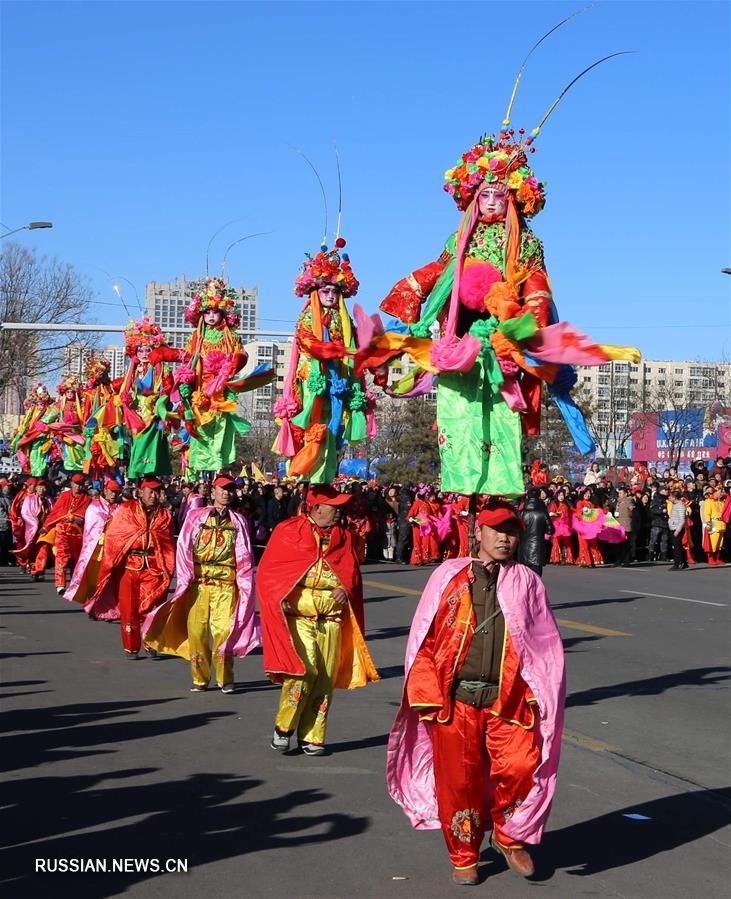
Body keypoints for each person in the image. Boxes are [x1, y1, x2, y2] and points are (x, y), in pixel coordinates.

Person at [387, 500, 565, 885]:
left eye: (512, 531)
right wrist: (427, 693)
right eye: (497, 530)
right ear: (477, 533)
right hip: (456, 701)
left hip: (510, 699)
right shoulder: (449, 575)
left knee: (521, 767)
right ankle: (464, 853)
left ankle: (508, 835)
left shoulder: (528, 581)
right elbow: (425, 640)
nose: (505, 538)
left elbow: (544, 645)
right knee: (459, 782)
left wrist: (540, 691)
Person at [258, 485, 379, 755]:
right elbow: (269, 572)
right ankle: (284, 727)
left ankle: (312, 736)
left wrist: (345, 589)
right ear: (316, 507)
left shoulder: (344, 537)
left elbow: (352, 574)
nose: (338, 511)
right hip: (300, 615)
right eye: (334, 506)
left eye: (340, 506)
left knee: (324, 678)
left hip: (332, 619)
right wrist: (281, 596)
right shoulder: (289, 531)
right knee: (303, 671)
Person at [143, 475, 260, 692]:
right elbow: (184, 547)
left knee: (224, 631)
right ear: (212, 491)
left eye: (230, 490)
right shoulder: (196, 517)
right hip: (199, 585)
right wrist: (185, 579)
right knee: (197, 632)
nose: (226, 493)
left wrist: (245, 588)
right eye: (222, 489)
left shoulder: (239, 521)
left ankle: (226, 679)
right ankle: (200, 678)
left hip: (226, 586)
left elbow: (245, 558)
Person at [273, 241, 372, 483]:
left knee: (332, 427)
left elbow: (359, 344)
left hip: (338, 378)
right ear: (316, 292)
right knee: (313, 423)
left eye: (334, 292)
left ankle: (326, 475)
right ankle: (307, 473)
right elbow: (308, 341)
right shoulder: (308, 316)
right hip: (313, 378)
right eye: (325, 291)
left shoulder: (344, 318)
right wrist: (333, 350)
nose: (330, 296)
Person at [87, 476, 175, 658]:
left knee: (150, 606)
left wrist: (168, 567)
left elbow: (168, 545)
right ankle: (131, 646)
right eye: (150, 491)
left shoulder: (165, 515)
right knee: (128, 608)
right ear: (141, 493)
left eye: (157, 491)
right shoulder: (128, 510)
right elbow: (115, 536)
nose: (154, 495)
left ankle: (151, 642)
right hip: (129, 567)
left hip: (153, 567)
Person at [116, 317, 174, 479]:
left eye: (147, 350)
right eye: (140, 350)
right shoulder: (133, 371)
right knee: (137, 446)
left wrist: (159, 404)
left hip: (154, 414)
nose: (143, 354)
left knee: (152, 445)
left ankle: (150, 474)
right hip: (137, 417)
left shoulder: (160, 370)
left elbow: (167, 388)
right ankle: (137, 477)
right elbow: (124, 390)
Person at [65, 478, 123, 617]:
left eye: (116, 492)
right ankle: (93, 606)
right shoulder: (95, 507)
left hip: (113, 550)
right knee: (94, 581)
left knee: (110, 580)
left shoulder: (120, 508)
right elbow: (91, 529)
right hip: (96, 551)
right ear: (105, 491)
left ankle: (109, 609)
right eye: (112, 492)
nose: (114, 495)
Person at [38, 473, 92, 594]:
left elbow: (87, 516)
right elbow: (55, 513)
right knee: (61, 557)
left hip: (77, 533)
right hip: (62, 530)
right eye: (76, 483)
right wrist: (46, 526)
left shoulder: (87, 498)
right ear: (71, 483)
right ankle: (60, 584)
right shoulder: (64, 496)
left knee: (76, 560)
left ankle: (74, 583)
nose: (78, 486)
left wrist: (79, 519)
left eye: (80, 484)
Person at [13, 479, 52, 580]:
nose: (42, 489)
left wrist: (46, 526)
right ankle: (33, 570)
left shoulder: (49, 500)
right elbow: (25, 513)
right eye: (40, 487)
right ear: (36, 488)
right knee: (31, 550)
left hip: (44, 529)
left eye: (44, 487)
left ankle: (40, 570)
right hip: (32, 529)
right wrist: (34, 524)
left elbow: (53, 513)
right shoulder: (29, 498)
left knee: (43, 549)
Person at [517, 488, 554, 576]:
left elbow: (516, 529)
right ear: (538, 496)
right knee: (536, 579)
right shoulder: (543, 512)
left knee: (524, 579)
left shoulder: (521, 513)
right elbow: (551, 530)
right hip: (537, 547)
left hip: (523, 548)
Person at [701, 486, 726, 565]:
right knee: (713, 543)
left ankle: (717, 558)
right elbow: (707, 514)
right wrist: (708, 524)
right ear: (715, 492)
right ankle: (710, 558)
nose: (721, 494)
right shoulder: (708, 501)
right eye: (720, 492)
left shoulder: (721, 502)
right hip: (714, 523)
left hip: (722, 524)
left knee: (720, 543)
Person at [548, 488, 573, 565]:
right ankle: (556, 558)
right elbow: (551, 514)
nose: (561, 497)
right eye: (559, 495)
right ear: (556, 496)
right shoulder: (554, 504)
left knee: (567, 542)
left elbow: (571, 511)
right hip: (557, 525)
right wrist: (555, 514)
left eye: (562, 495)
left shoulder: (567, 504)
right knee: (556, 542)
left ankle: (568, 559)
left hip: (565, 525)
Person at [615, 485, 637, 566]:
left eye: (621, 493)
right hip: (618, 525)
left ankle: (626, 560)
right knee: (618, 545)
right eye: (619, 493)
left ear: (625, 494)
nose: (619, 495)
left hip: (626, 525)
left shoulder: (628, 500)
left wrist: (632, 508)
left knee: (626, 545)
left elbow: (632, 508)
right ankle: (618, 560)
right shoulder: (618, 501)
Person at [668, 489, 689, 571]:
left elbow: (682, 519)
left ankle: (677, 563)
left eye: (670, 496)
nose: (669, 497)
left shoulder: (680, 505)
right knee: (678, 546)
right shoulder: (675, 504)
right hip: (673, 527)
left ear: (674, 497)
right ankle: (684, 562)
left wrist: (678, 530)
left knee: (677, 547)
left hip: (677, 528)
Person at [648, 485, 670, 562]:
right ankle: (651, 555)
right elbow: (652, 510)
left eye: (667, 490)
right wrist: (661, 511)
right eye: (665, 490)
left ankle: (663, 556)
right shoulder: (656, 500)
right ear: (660, 491)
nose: (667, 491)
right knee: (654, 539)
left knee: (664, 540)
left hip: (666, 522)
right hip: (657, 522)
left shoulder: (668, 499)